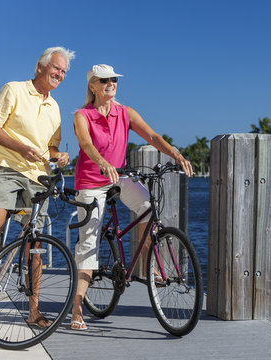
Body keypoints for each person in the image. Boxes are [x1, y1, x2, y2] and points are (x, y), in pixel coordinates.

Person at [0, 46, 75, 327]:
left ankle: (33, 311)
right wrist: (21, 148)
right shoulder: (13, 89)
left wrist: (58, 155)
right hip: (8, 170)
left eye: (64, 72)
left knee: (35, 244)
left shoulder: (55, 107)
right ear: (40, 67)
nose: (60, 74)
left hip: (38, 177)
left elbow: (51, 147)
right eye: (56, 68)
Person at [70, 64, 193, 330]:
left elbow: (152, 135)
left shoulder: (125, 112)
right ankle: (77, 306)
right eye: (104, 80)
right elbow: (86, 144)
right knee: (89, 242)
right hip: (91, 182)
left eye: (113, 79)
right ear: (92, 85)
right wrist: (102, 162)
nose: (110, 83)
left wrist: (177, 156)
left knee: (148, 207)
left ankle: (148, 268)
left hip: (120, 177)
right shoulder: (83, 115)